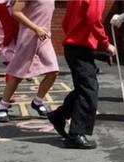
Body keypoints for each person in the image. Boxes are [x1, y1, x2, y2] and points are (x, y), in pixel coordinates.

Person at [47, 0, 116, 149]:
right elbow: (93, 19)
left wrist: (76, 36)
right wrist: (105, 43)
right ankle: (75, 135)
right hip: (80, 49)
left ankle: (58, 116)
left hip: (72, 48)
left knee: (83, 89)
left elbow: (66, 22)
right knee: (88, 91)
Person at [0, 0, 59, 122]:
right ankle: (2, 106)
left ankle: (37, 102)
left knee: (53, 71)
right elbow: (15, 12)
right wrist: (35, 28)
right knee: (18, 74)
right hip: (28, 37)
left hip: (45, 37)